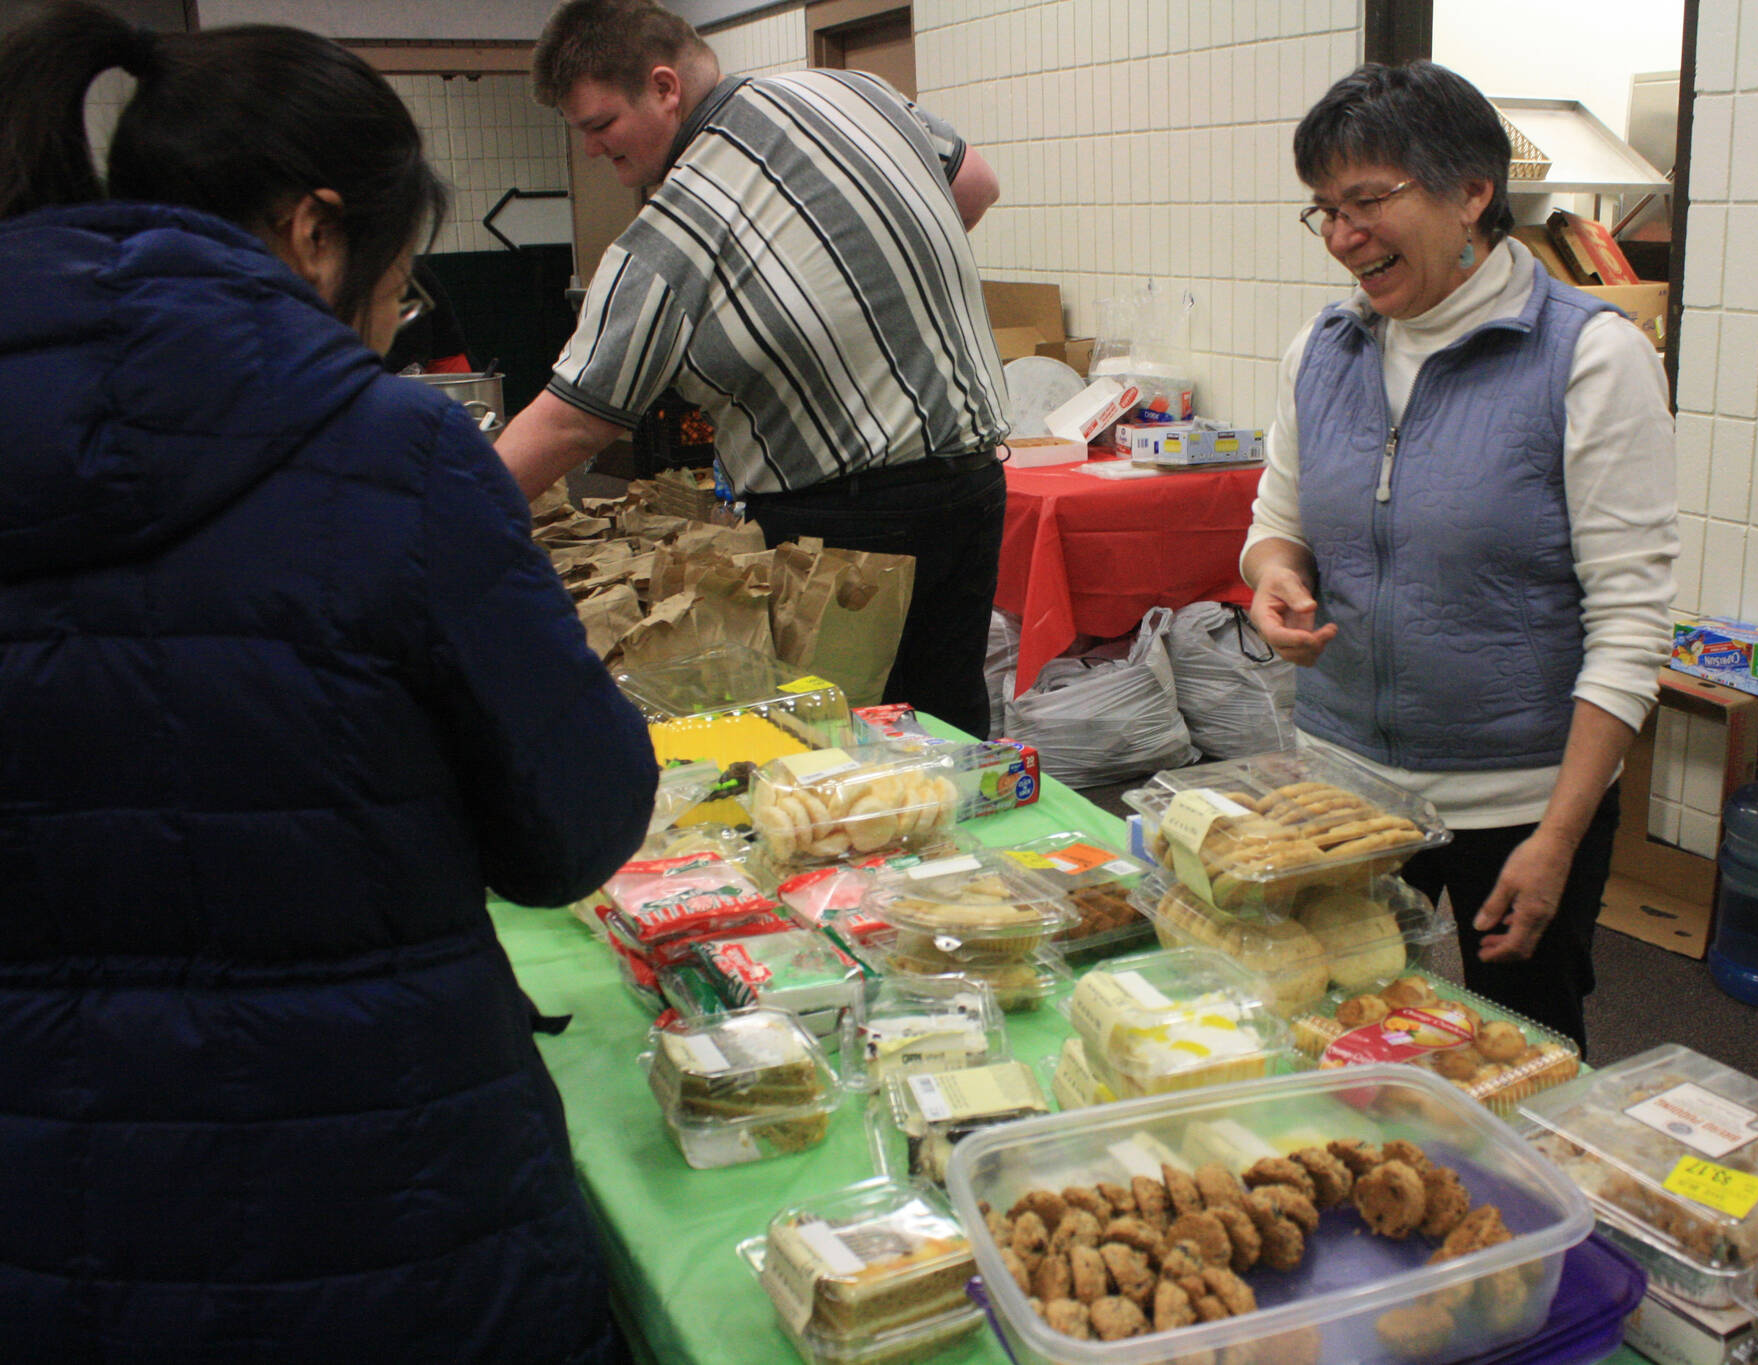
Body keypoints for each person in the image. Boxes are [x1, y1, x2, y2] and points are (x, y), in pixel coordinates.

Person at [0, 5, 656, 1361]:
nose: (385, 324)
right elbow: (578, 828)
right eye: (398, 283)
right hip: (396, 1223)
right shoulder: (392, 454)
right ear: (315, 232)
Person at [1243, 62, 1679, 1054]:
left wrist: (1557, 836)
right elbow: (1277, 523)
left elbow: (1629, 626)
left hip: (1517, 803)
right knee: (1330, 1032)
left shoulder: (1591, 358)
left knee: (1519, 1053)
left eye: (1367, 201)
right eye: (1323, 210)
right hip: (1342, 788)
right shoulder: (1322, 347)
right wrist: (1274, 576)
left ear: (1470, 194)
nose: (1343, 236)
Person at [497, 0, 1011, 737]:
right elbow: (975, 188)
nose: (589, 149)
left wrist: (446, 518)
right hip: (974, 484)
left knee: (842, 750)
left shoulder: (680, 224)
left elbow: (573, 419)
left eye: (599, 125)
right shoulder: (853, 90)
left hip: (843, 527)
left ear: (665, 87)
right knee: (949, 729)